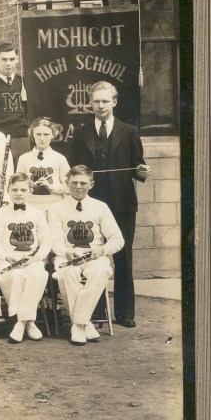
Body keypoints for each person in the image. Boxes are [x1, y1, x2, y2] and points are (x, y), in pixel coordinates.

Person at [67, 81, 150, 327]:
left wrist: (143, 172)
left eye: (105, 101)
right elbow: (75, 171)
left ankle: (125, 313)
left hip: (122, 204)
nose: (100, 106)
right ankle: (94, 312)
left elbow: (138, 168)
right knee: (92, 257)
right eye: (96, 101)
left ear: (114, 102)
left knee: (123, 258)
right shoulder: (81, 133)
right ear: (90, 104)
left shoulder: (129, 131)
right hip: (91, 206)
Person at [48, 165, 125, 345]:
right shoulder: (56, 208)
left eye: (83, 183)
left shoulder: (101, 207)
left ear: (92, 184)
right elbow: (55, 241)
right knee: (68, 273)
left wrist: (102, 250)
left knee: (100, 271)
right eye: (74, 183)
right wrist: (66, 252)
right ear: (67, 183)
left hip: (94, 256)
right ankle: (84, 323)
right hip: (67, 256)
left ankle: (78, 324)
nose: (78, 187)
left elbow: (117, 239)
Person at [0, 173, 52, 343]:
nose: (18, 193)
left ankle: (21, 322)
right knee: (15, 277)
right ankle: (28, 321)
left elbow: (46, 242)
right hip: (7, 259)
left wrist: (37, 257)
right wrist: (6, 256)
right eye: (14, 189)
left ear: (30, 191)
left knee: (38, 275)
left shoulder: (38, 214)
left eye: (23, 190)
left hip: (31, 259)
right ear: (8, 190)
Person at [16, 117, 70, 209]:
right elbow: (18, 184)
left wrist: (51, 187)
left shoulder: (60, 158)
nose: (42, 138)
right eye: (38, 134)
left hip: (55, 205)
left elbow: (69, 186)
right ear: (32, 135)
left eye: (46, 134)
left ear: (53, 135)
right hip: (31, 205)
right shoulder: (24, 158)